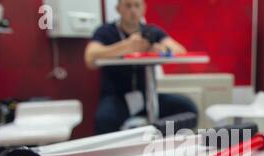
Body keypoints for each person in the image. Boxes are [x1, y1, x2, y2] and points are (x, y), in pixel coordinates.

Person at [85, 0, 198, 135]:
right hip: (117, 97)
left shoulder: (151, 32)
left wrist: (160, 50)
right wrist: (126, 47)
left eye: (137, 5)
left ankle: (159, 141)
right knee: (104, 120)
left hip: (147, 95)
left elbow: (180, 51)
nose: (133, 10)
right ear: (118, 9)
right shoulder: (106, 31)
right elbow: (90, 57)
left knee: (188, 109)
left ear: (143, 9)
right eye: (128, 5)